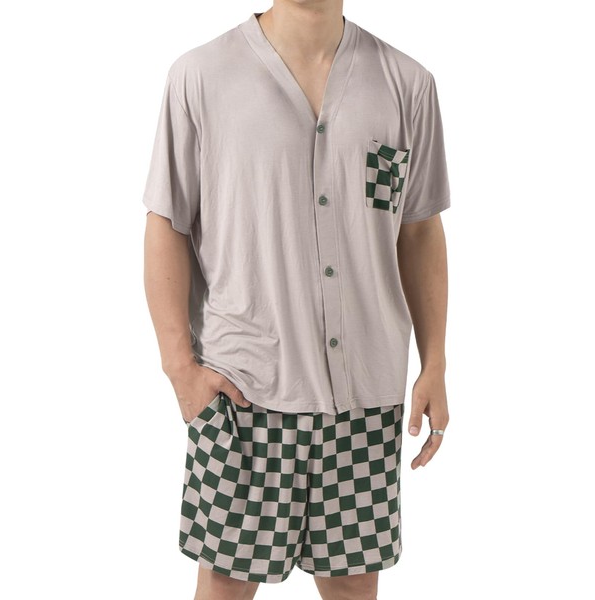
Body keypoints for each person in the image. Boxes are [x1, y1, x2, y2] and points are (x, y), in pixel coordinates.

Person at [142, 1, 450, 598]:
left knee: (353, 589)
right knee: (226, 587)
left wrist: (434, 361)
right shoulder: (201, 76)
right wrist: (180, 368)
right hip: (243, 398)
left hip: (365, 402)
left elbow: (418, 231)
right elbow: (166, 223)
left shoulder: (407, 83)